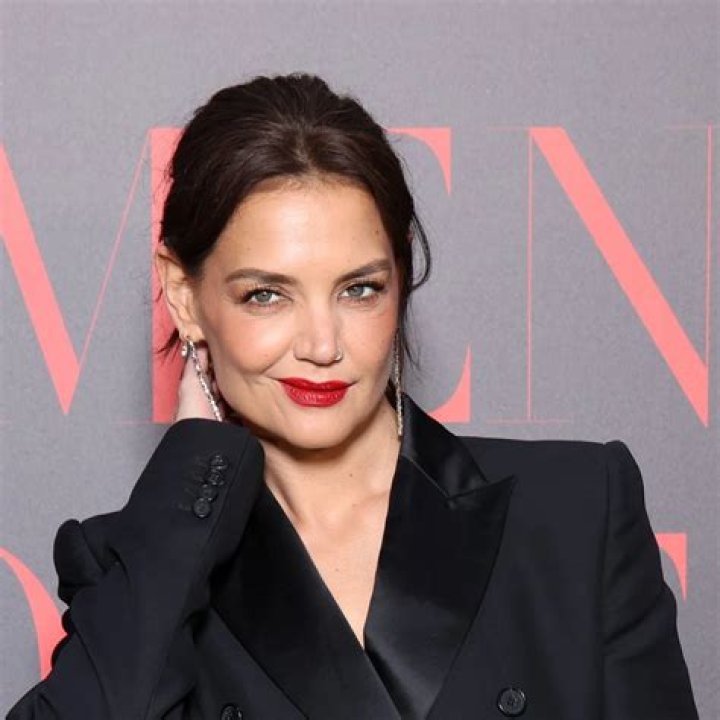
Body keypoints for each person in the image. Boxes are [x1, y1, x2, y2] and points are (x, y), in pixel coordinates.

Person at [8, 73, 698, 720]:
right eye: (266, 295)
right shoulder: (143, 566)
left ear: (400, 280)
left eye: (359, 289)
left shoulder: (576, 509)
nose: (322, 343)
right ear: (185, 297)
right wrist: (194, 470)